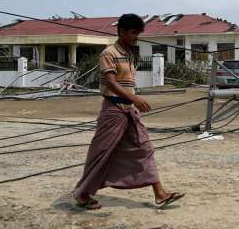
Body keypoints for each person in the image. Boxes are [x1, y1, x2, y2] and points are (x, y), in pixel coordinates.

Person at [73, 13, 184, 210]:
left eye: (138, 33)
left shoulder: (130, 55)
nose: (136, 36)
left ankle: (160, 193)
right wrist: (134, 98)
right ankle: (82, 193)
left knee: (145, 148)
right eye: (133, 32)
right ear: (121, 31)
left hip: (129, 111)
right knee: (101, 153)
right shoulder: (109, 53)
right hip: (113, 110)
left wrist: (132, 101)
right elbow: (111, 82)